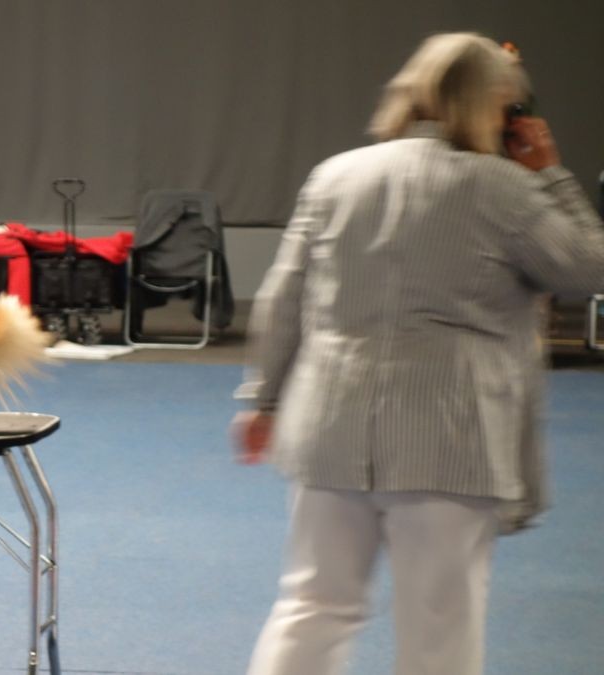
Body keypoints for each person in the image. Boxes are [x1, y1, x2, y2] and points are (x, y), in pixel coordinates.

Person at [231, 33, 604, 675]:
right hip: (449, 440)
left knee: (314, 606)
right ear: (500, 110)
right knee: (440, 628)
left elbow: (282, 299)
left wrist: (263, 399)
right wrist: (552, 175)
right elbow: (590, 268)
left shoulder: (335, 176)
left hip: (329, 426)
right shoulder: (505, 190)